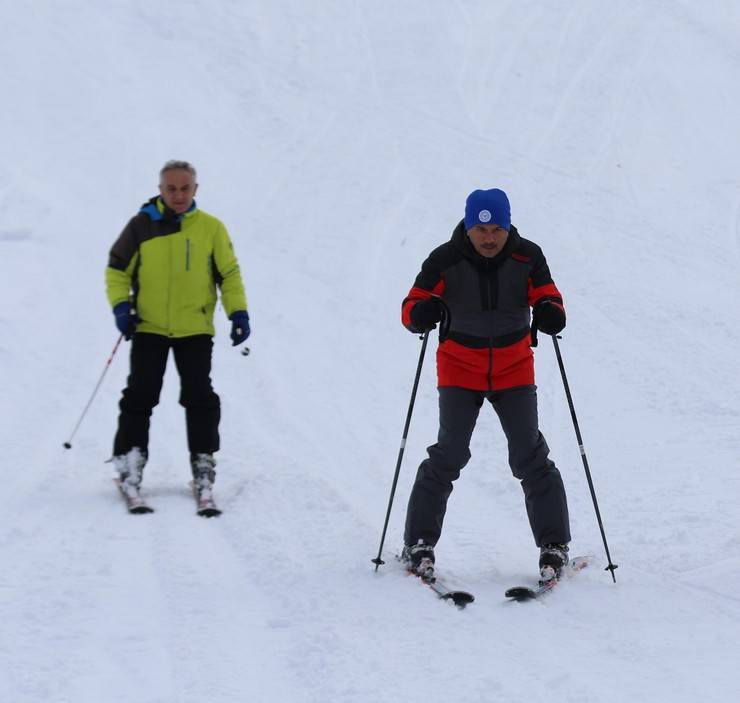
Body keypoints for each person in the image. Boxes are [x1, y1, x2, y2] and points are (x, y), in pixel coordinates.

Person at [400, 188, 570, 582]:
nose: (490, 238)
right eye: (482, 229)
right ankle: (418, 543)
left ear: (508, 226)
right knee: (450, 453)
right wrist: (419, 314)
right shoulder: (444, 259)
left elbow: (549, 294)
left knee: (529, 455)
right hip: (460, 367)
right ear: (469, 226)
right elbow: (411, 305)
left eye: (497, 229)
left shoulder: (528, 256)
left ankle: (554, 545)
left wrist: (550, 311)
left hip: (513, 368)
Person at [105, 160, 250, 505]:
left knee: (200, 398)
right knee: (140, 395)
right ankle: (130, 464)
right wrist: (121, 307)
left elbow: (228, 274)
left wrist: (238, 312)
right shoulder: (141, 226)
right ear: (161, 190)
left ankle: (203, 466)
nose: (178, 195)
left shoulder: (211, 229)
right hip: (149, 327)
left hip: (195, 328)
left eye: (185, 188)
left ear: (195, 189)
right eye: (171, 188)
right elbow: (117, 270)